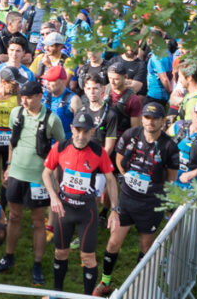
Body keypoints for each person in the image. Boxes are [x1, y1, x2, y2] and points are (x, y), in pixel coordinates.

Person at [96, 102, 179, 296]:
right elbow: (118, 159)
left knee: (145, 247)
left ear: (162, 121)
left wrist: (154, 190)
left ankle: (139, 286)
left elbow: (172, 178)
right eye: (147, 118)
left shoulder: (169, 146)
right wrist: (126, 176)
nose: (150, 122)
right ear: (142, 119)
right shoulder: (130, 135)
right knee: (113, 243)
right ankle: (105, 282)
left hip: (151, 205)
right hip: (127, 200)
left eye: (155, 119)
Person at [0, 77, 64, 285]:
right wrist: (8, 165)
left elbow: (61, 146)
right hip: (16, 174)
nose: (24, 101)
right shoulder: (16, 113)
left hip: (38, 178)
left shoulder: (52, 119)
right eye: (22, 97)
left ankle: (37, 263)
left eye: (29, 98)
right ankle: (9, 256)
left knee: (38, 221)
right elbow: (12, 142)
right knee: (14, 216)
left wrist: (54, 175)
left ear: (40, 96)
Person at [42, 109, 119, 296]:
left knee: (88, 257)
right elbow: (46, 173)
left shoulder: (98, 152)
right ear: (71, 128)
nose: (81, 136)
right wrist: (53, 196)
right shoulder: (60, 147)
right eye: (77, 130)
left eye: (86, 131)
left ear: (92, 132)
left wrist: (115, 210)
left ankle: (86, 296)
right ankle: (57, 294)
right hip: (65, 209)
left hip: (87, 211)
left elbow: (111, 180)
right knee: (60, 253)